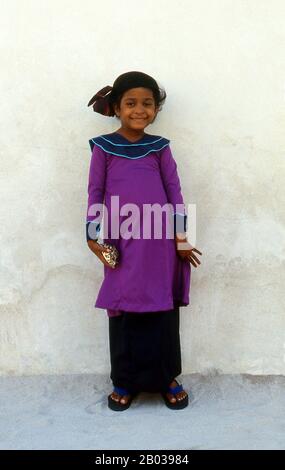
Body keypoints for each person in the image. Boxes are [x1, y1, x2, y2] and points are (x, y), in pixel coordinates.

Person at [86, 71, 202, 411]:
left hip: (160, 244)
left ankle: (167, 377)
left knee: (162, 309)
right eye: (131, 103)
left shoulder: (160, 148)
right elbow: (95, 194)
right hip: (120, 244)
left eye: (148, 103)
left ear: (156, 109)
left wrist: (181, 238)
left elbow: (175, 193)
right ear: (117, 108)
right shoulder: (103, 148)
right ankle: (124, 380)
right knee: (123, 308)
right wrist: (93, 240)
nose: (140, 109)